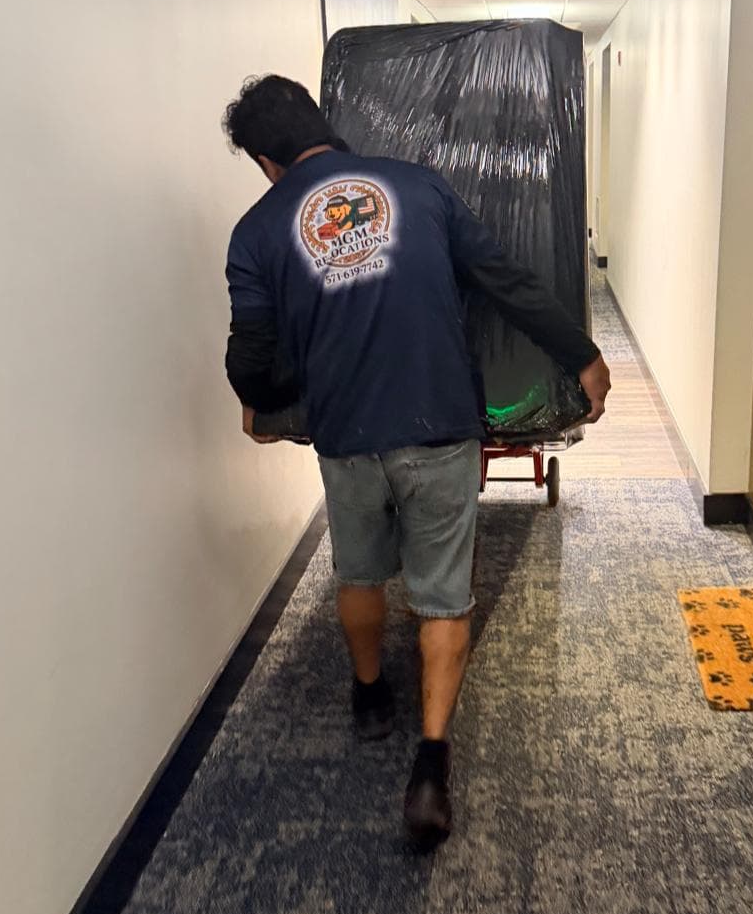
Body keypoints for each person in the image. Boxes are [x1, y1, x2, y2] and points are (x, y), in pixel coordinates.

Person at [221, 74, 610, 848]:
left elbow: (252, 355)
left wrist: (262, 403)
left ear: (265, 159)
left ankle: (369, 696)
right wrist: (582, 356)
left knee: (359, 572)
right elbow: (504, 280)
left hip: (346, 432)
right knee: (442, 593)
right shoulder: (419, 188)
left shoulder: (258, 229)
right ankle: (431, 762)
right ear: (325, 125)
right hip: (438, 421)